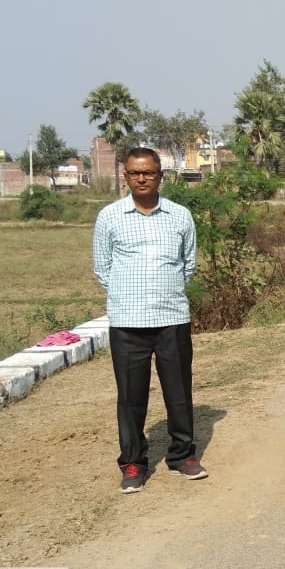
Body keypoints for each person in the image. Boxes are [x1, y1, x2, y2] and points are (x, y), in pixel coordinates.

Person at [93, 147, 207, 493]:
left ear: (161, 176)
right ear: (125, 176)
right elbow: (102, 268)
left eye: (148, 173)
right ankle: (133, 463)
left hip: (171, 317)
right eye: (134, 173)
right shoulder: (110, 217)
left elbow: (188, 265)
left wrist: (163, 291)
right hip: (127, 322)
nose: (141, 179)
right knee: (131, 397)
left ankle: (182, 455)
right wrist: (130, 296)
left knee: (179, 391)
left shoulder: (180, 216)